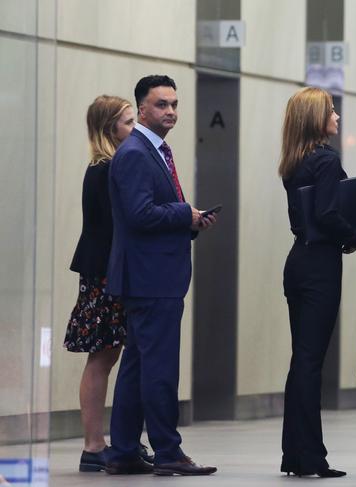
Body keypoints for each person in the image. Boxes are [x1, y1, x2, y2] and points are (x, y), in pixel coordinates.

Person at [105, 75, 217, 476]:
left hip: (152, 276)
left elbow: (152, 211)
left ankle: (122, 451)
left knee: (137, 366)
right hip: (151, 279)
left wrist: (190, 221)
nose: (170, 111)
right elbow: (139, 214)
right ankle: (168, 452)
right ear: (141, 109)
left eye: (174, 104)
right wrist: (184, 213)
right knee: (159, 369)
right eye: (161, 105)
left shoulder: (154, 151)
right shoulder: (136, 152)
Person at [279, 86, 356, 478]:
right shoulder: (327, 161)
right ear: (317, 119)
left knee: (302, 359)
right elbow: (329, 213)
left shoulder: (294, 162)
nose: (337, 118)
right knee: (311, 362)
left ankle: (294, 455)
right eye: (332, 112)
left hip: (298, 261)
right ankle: (312, 457)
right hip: (320, 267)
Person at [65, 95, 153, 472]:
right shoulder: (106, 169)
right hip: (104, 273)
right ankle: (93, 443)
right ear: (109, 128)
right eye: (129, 123)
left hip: (106, 270)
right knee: (101, 356)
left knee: (108, 354)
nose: (135, 129)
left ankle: (103, 440)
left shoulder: (109, 166)